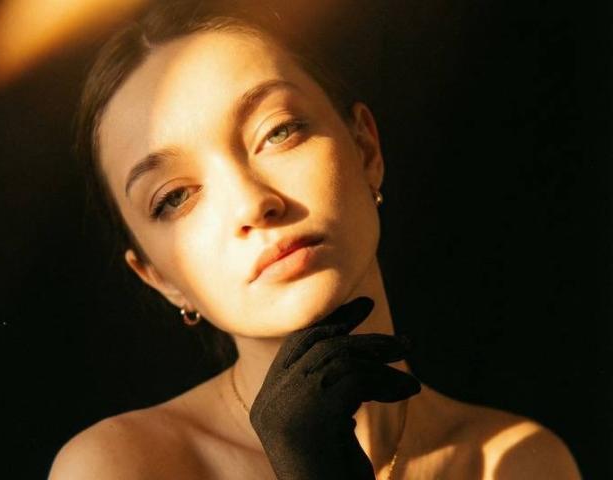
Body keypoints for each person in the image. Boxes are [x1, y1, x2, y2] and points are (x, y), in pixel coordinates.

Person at [49, 1, 581, 478]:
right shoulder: (119, 467)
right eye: (174, 197)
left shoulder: (519, 462)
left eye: (278, 131)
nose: (252, 203)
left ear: (365, 149)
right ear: (158, 277)